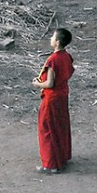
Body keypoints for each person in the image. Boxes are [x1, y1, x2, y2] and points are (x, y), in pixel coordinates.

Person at [32, 28, 74, 174]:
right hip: (63, 96)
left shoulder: (53, 60)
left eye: (52, 37)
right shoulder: (66, 56)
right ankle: (62, 157)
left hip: (52, 98)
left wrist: (37, 84)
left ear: (57, 42)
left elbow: (49, 83)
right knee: (60, 126)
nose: (50, 39)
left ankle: (51, 164)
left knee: (47, 128)